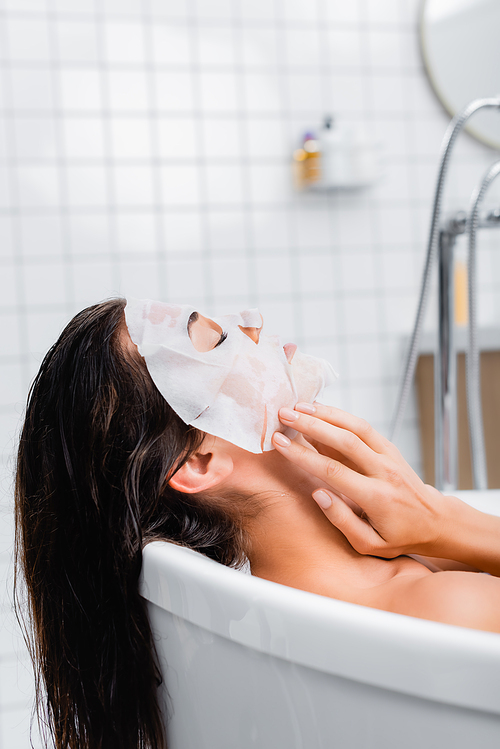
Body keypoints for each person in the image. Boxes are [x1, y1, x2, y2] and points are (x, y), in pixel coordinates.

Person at [15, 298, 500, 749]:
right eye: (219, 340)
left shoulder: (281, 625)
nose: (254, 325)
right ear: (200, 462)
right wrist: (448, 520)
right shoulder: (448, 609)